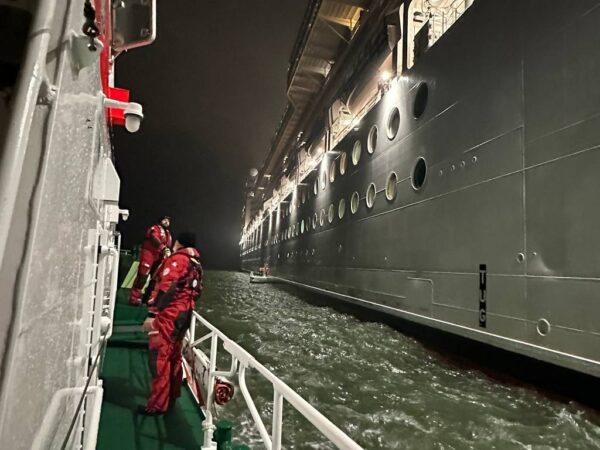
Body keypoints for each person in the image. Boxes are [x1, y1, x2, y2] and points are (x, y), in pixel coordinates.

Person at [139, 231, 203, 415]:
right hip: (185, 314)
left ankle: (157, 405)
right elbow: (198, 291)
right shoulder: (197, 264)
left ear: (179, 243)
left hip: (171, 314)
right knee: (174, 355)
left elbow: (166, 287)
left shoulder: (178, 260)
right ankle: (172, 395)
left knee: (159, 356)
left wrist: (152, 314)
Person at [129, 216, 173, 306]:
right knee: (143, 276)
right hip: (149, 253)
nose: (166, 222)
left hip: (160, 256)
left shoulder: (168, 234)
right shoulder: (154, 228)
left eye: (168, 221)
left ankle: (148, 298)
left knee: (156, 278)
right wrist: (163, 248)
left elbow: (168, 245)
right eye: (165, 220)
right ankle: (134, 298)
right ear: (160, 220)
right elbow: (153, 237)